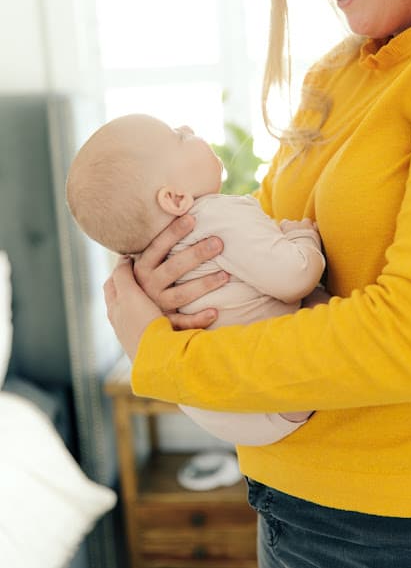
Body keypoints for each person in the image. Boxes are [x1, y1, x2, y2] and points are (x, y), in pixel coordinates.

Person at [103, 0, 411, 566]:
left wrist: (170, 358)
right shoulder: (334, 72)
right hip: (285, 497)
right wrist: (167, 276)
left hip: (395, 523)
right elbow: (263, 231)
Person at [66, 113, 324, 446]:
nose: (188, 128)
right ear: (174, 198)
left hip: (222, 412)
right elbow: (294, 276)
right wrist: (303, 237)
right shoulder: (219, 216)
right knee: (320, 299)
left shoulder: (147, 260)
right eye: (178, 136)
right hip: (280, 390)